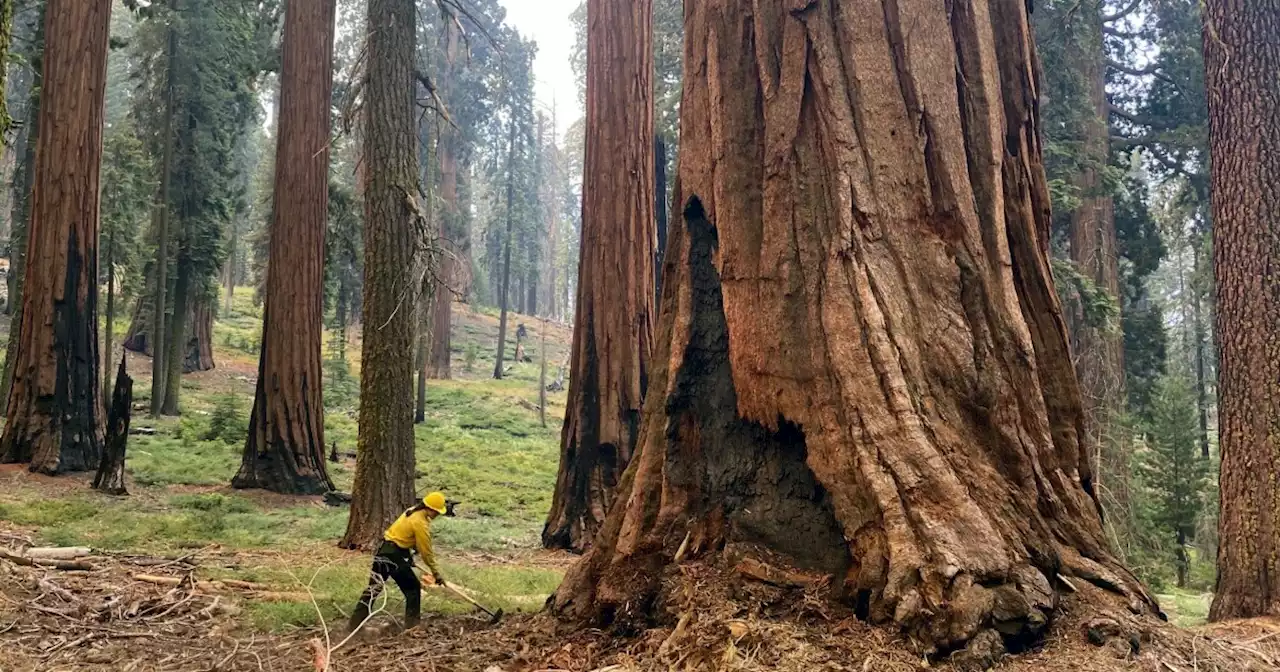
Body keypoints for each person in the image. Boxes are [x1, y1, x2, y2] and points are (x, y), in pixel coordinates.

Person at [349, 492, 447, 631]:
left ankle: (354, 625)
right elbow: (426, 552)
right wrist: (436, 573)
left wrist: (409, 558)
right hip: (394, 556)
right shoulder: (420, 523)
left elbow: (403, 536)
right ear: (430, 509)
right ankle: (412, 628)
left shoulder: (412, 511)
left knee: (373, 589)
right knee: (413, 588)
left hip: (383, 550)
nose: (437, 515)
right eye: (437, 512)